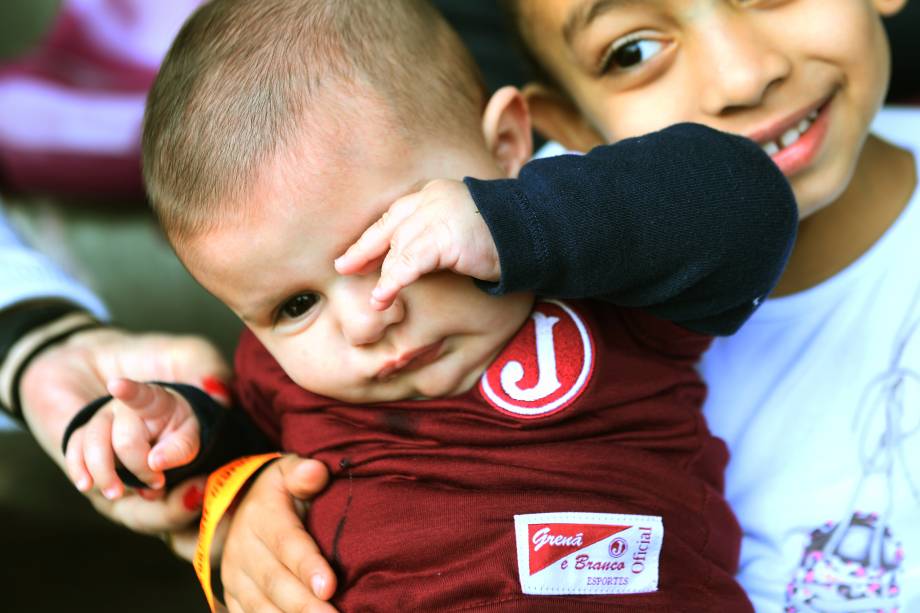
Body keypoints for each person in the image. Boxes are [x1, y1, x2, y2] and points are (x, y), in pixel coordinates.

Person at [65, 0, 797, 610]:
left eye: (392, 245)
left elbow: (745, 200)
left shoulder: (600, 279)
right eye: (293, 305)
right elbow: (249, 470)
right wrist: (189, 448)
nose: (363, 321)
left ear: (508, 145)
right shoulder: (293, 376)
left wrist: (512, 225)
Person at [451, 1, 918, 610]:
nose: (744, 77)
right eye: (634, 52)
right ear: (573, 125)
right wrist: (288, 487)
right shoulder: (498, 251)